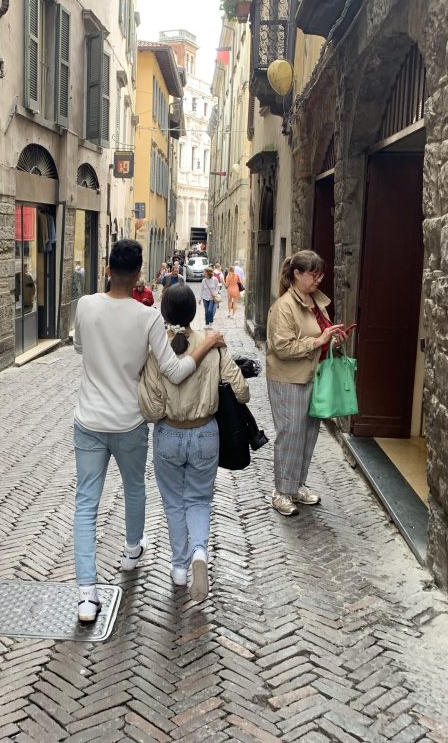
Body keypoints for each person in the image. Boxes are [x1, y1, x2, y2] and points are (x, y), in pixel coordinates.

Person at [72, 240, 227, 622]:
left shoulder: (86, 306)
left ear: (108, 269)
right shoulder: (146, 318)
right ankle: (130, 552)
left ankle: (87, 596)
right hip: (129, 421)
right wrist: (205, 345)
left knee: (86, 503)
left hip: (89, 419)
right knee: (134, 488)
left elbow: (78, 347)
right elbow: (174, 371)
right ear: (140, 273)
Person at [138, 284, 248, 601]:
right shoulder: (213, 345)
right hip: (205, 434)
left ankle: (178, 568)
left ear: (163, 313)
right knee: (199, 500)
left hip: (169, 434)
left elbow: (151, 409)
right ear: (194, 311)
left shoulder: (156, 353)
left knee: (174, 503)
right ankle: (200, 551)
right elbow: (241, 392)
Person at [265, 250, 344, 516]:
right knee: (290, 434)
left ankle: (296, 485)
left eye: (321, 274)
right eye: (314, 274)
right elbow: (281, 347)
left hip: (314, 375)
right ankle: (281, 491)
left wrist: (333, 338)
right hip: (289, 379)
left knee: (308, 434)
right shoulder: (284, 306)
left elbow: (320, 335)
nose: (319, 279)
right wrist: (319, 341)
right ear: (297, 274)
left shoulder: (316, 302)